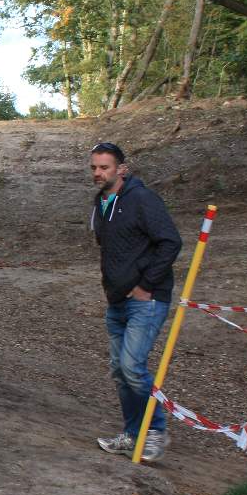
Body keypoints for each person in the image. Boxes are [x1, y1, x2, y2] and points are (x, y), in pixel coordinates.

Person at [89, 141, 182, 462]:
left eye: (105, 167)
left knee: (132, 367)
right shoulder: (100, 204)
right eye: (94, 168)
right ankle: (132, 434)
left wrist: (145, 285)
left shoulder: (142, 199)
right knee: (119, 370)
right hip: (116, 302)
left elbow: (170, 241)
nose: (98, 173)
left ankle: (155, 431)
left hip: (147, 300)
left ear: (121, 169)